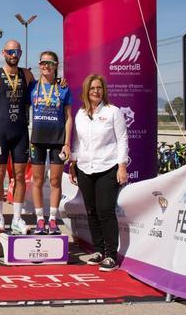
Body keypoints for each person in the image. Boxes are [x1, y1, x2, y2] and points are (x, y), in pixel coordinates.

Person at [68, 74, 129, 272]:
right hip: (85, 168)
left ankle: (111, 255)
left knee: (105, 210)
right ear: (86, 91)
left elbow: (122, 140)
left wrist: (122, 166)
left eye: (99, 88)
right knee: (91, 211)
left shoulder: (113, 112)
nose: (96, 91)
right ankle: (99, 250)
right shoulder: (80, 114)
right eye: (93, 88)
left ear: (104, 91)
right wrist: (73, 163)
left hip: (107, 167)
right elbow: (77, 141)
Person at [0, 40, 34, 234]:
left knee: (19, 175)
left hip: (20, 133)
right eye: (10, 51)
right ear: (3, 53)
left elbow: (40, 91)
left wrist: (60, 82)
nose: (14, 54)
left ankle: (17, 218)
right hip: (1, 132)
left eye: (17, 51)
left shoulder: (26, 74)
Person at [27, 51, 73, 235]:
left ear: (56, 66)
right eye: (43, 62)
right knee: (37, 180)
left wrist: (67, 143)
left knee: (55, 181)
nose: (46, 66)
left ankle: (53, 220)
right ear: (39, 65)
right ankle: (39, 219)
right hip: (37, 139)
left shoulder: (63, 88)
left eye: (50, 63)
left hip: (57, 140)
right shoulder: (32, 87)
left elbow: (69, 117)